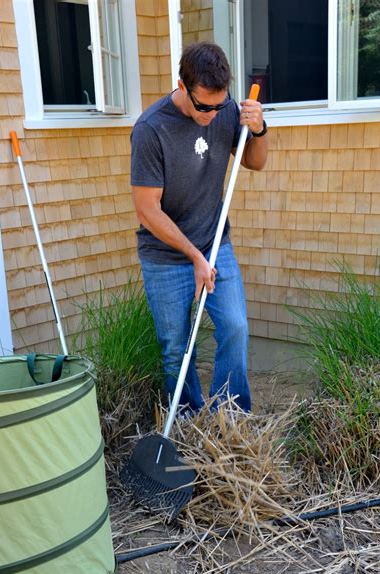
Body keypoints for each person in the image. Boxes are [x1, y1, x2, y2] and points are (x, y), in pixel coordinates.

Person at [130, 41, 268, 413]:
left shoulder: (225, 110)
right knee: (176, 346)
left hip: (214, 243)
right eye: (203, 105)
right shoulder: (150, 129)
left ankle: (229, 419)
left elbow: (254, 163)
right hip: (165, 256)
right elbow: (147, 210)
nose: (211, 114)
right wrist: (193, 256)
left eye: (218, 105)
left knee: (235, 327)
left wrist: (259, 129)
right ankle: (189, 420)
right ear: (182, 85)